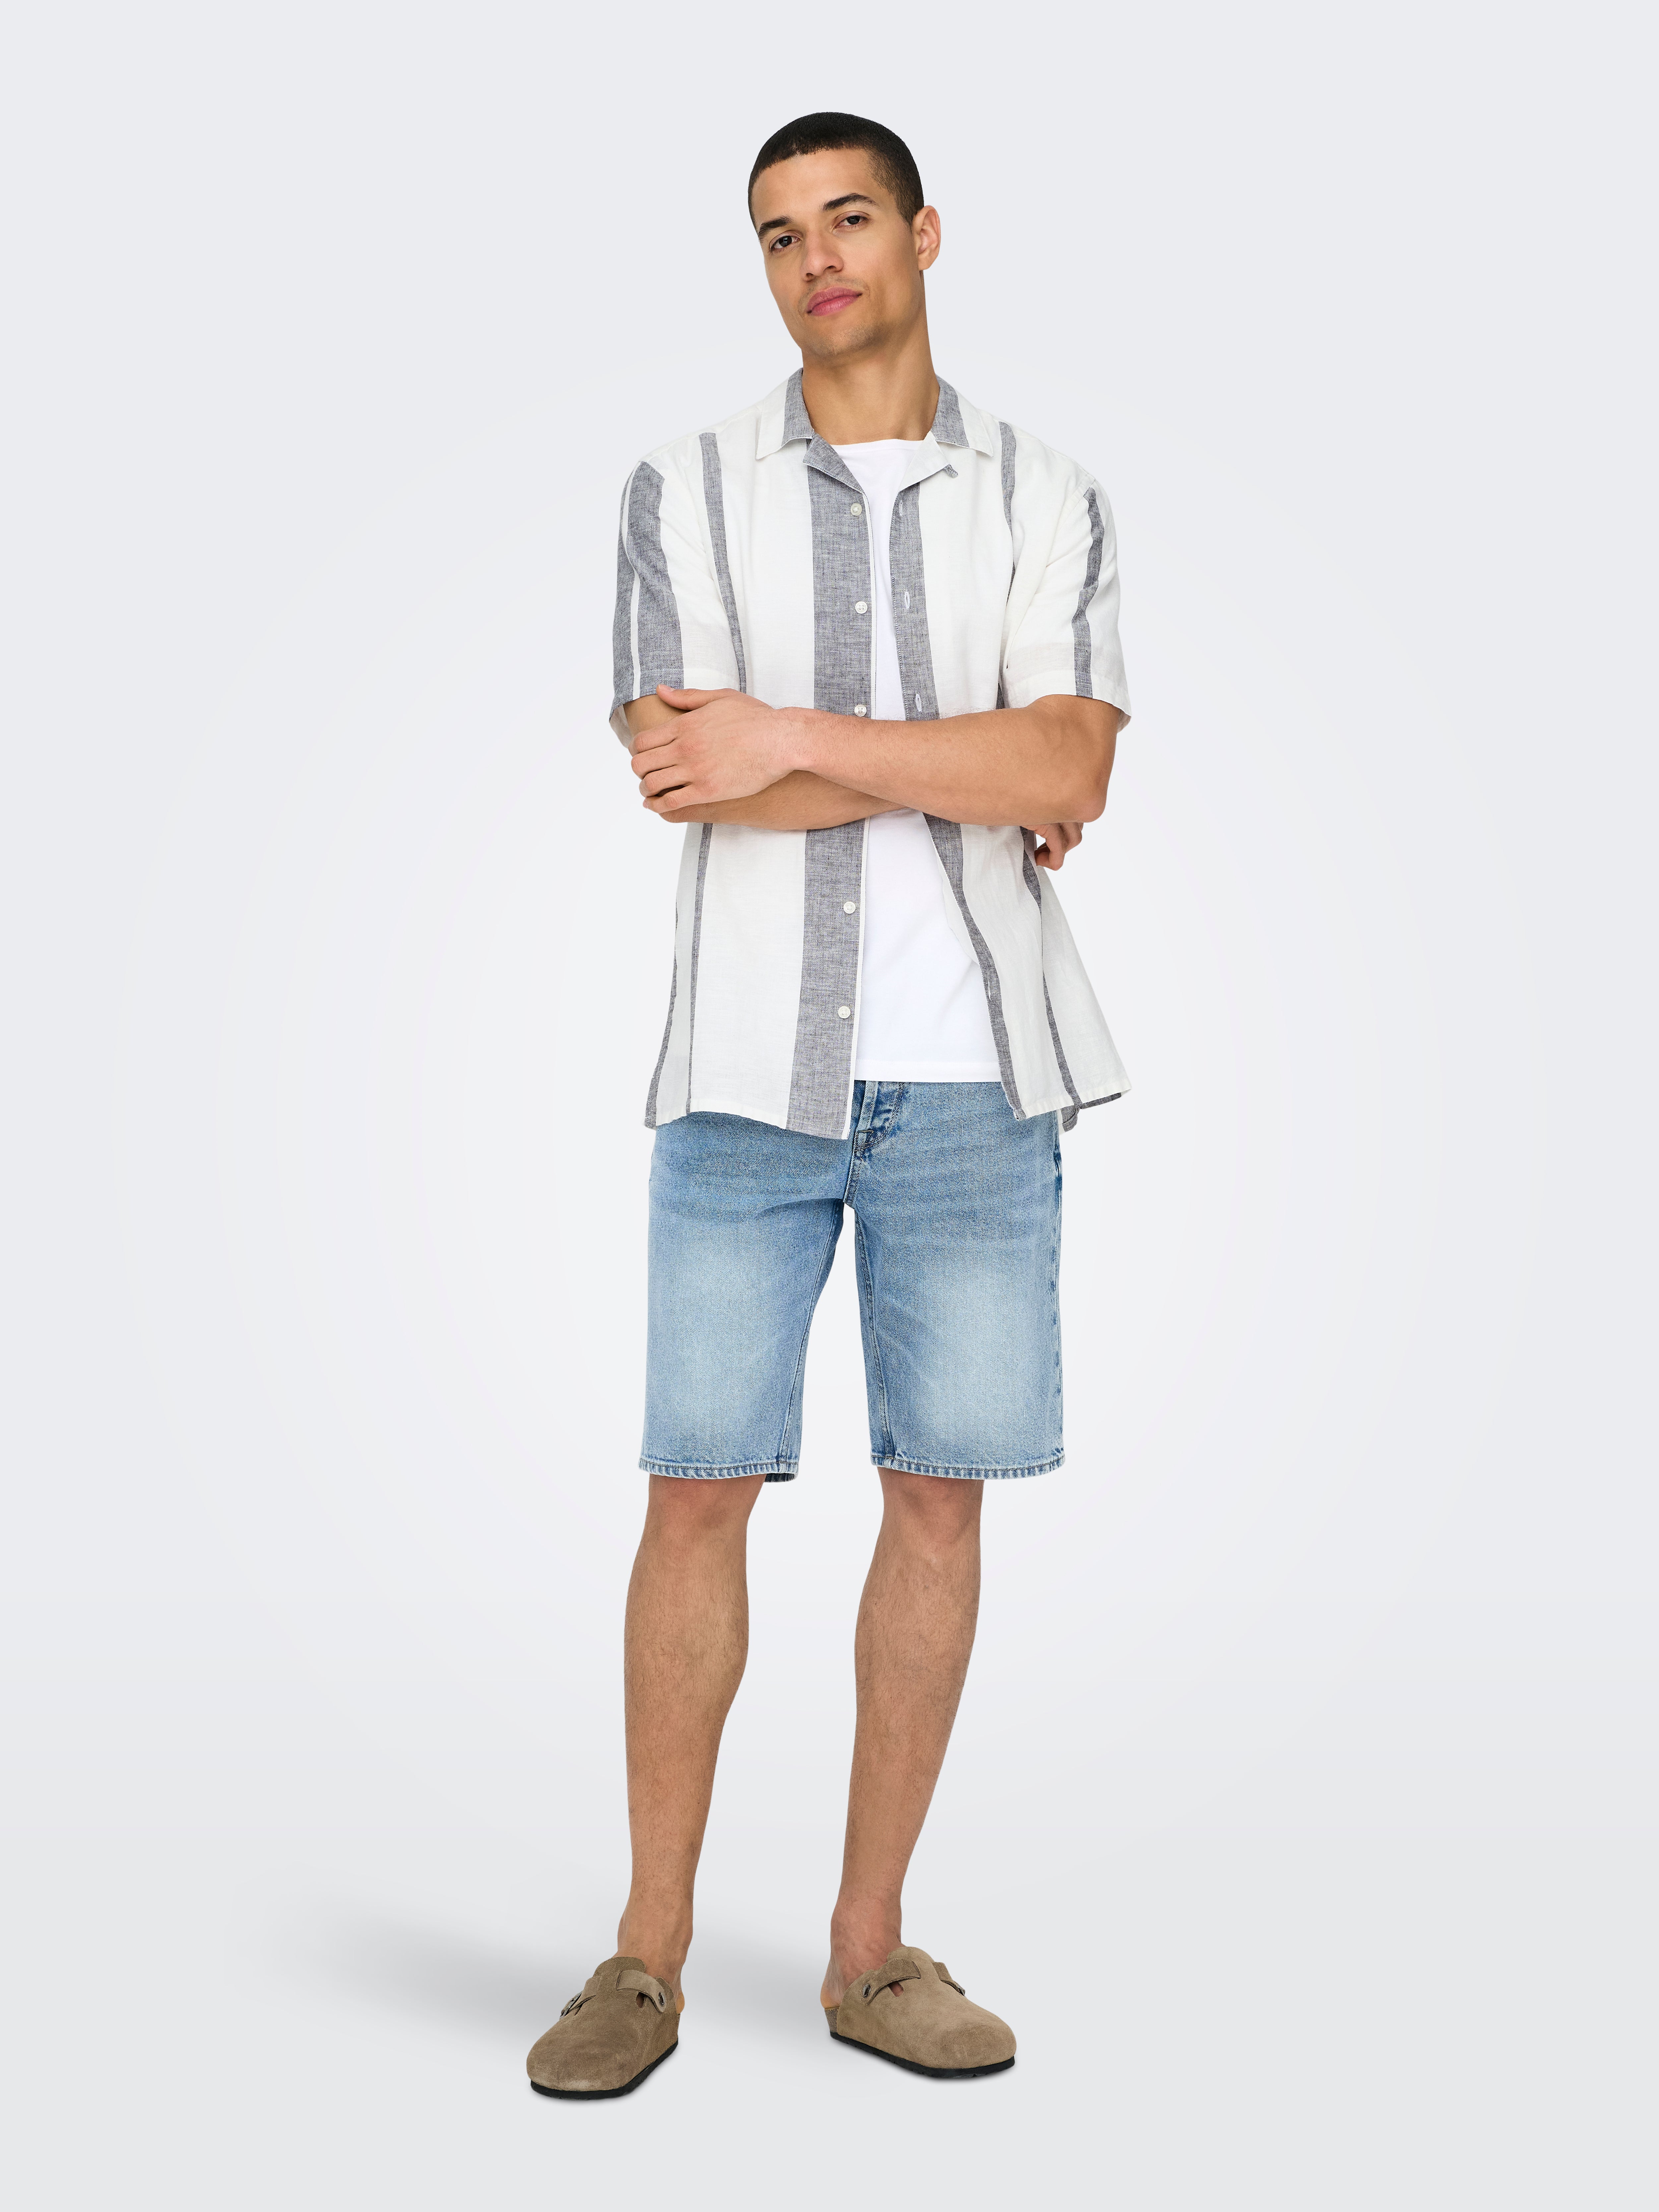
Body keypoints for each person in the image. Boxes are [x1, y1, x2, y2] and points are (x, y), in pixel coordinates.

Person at [527, 111, 1131, 2099]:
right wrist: (966, 759)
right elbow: (686, 777)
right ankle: (645, 1957)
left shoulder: (1046, 491)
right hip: (741, 1084)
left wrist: (791, 731)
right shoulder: (681, 489)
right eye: (781, 234)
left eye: (850, 218)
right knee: (695, 1490)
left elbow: (1071, 763)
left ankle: (869, 1957)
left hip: (980, 1087)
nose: (819, 261)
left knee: (939, 1497)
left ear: (924, 233)